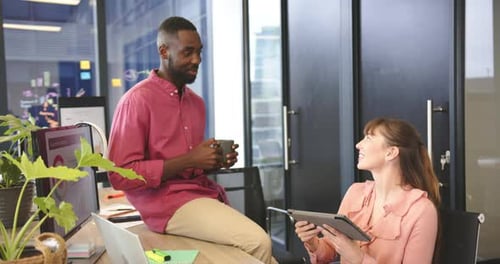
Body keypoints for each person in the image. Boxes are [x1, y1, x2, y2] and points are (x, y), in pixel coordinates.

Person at [107, 16, 274, 263]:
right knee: (258, 242)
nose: (197, 59)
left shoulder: (196, 103)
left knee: (264, 258)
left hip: (200, 195)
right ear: (164, 51)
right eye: (188, 52)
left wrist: (213, 161)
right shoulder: (136, 101)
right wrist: (190, 159)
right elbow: (119, 174)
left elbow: (189, 166)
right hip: (165, 204)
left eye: (198, 52)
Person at [295, 117, 440, 264]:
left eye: (369, 138)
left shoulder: (421, 210)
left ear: (391, 153)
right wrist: (312, 242)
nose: (358, 145)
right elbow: (330, 250)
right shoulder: (355, 192)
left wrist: (359, 258)